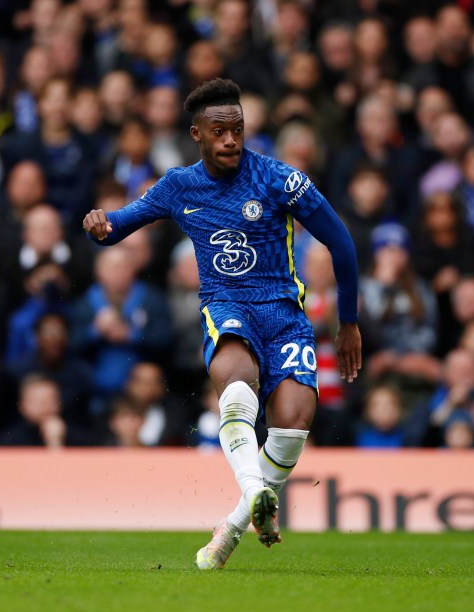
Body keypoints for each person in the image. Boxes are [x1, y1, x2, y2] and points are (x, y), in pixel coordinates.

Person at [81, 78, 361, 570]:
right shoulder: (178, 186)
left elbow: (342, 244)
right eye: (219, 131)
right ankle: (256, 492)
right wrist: (101, 224)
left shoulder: (280, 180)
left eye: (237, 130)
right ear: (197, 134)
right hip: (228, 306)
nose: (230, 139)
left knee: (292, 426)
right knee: (237, 388)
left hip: (285, 316)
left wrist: (349, 321)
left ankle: (232, 526)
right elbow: (120, 225)